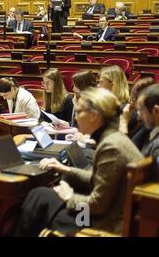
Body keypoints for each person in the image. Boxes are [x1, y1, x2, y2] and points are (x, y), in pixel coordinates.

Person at [12, 87, 144, 236]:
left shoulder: (111, 146)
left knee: (40, 201)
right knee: (40, 195)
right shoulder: (113, 138)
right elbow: (98, 177)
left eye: (80, 112)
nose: (76, 118)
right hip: (107, 212)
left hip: (101, 222)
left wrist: (68, 196)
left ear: (94, 116)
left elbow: (97, 205)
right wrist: (65, 169)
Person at [120, 77, 156, 150]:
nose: (131, 104)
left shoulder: (149, 122)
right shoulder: (134, 116)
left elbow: (127, 150)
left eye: (133, 99)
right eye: (131, 99)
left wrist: (123, 123)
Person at [136, 84, 159, 158]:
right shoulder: (150, 130)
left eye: (141, 111)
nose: (139, 116)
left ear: (156, 111)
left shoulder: (157, 146)